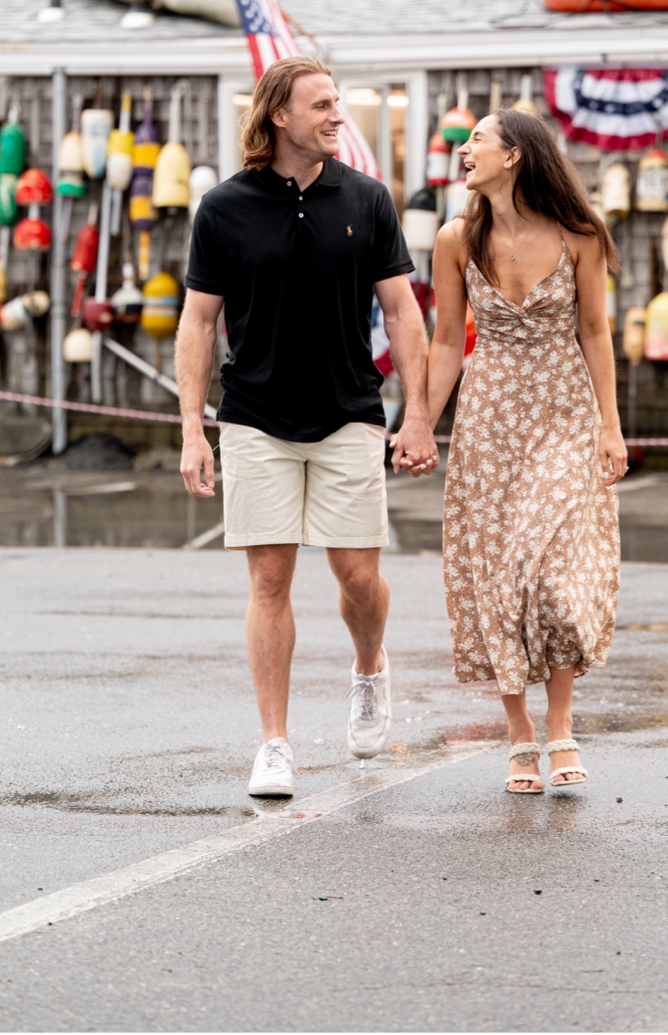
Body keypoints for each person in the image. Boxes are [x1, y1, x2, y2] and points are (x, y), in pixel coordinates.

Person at [178, 56, 437, 799]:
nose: (336, 116)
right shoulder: (223, 208)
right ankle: (274, 743)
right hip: (254, 417)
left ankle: (368, 669)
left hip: (349, 412)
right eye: (321, 104)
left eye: (337, 103)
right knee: (268, 578)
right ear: (278, 117)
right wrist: (194, 430)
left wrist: (417, 414)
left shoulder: (368, 197)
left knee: (358, 577)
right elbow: (198, 323)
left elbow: (401, 310)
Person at [421, 107, 624, 795]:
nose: (464, 150)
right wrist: (419, 418)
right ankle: (520, 734)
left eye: (476, 140)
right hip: (489, 414)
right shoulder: (455, 239)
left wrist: (611, 425)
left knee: (554, 576)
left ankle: (561, 719)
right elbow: (448, 339)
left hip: (565, 409)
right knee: (498, 576)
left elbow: (595, 332)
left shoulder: (581, 235)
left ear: (514, 155)